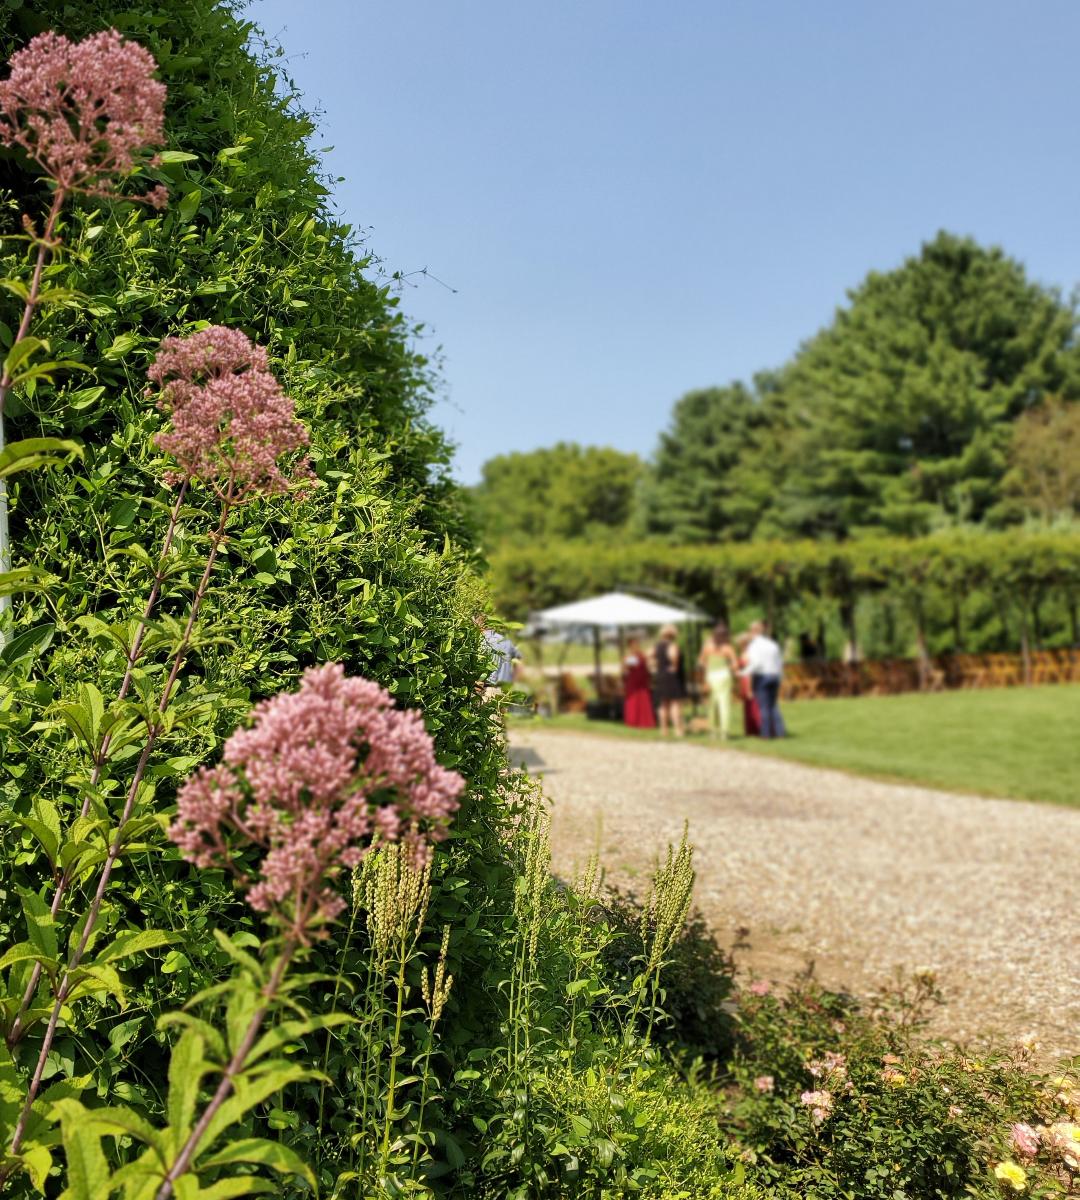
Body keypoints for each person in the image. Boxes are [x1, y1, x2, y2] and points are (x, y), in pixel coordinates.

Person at [740, 619, 785, 738]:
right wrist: (780, 675)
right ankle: (780, 732)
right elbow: (779, 662)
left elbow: (756, 663)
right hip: (775, 675)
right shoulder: (772, 644)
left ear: (753, 631)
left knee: (764, 706)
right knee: (773, 705)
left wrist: (743, 672)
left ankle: (766, 734)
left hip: (762, 677)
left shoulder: (754, 645)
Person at [698, 621, 737, 740]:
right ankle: (724, 732)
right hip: (724, 674)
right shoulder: (728, 648)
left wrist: (708, 669)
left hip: (710, 675)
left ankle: (713, 732)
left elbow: (700, 662)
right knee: (724, 704)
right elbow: (735, 665)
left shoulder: (707, 647)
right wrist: (727, 668)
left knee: (712, 704)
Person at [651, 624, 686, 736]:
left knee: (663, 704)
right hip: (671, 677)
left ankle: (663, 729)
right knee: (675, 703)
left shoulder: (657, 646)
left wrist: (655, 666)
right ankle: (677, 729)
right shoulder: (672, 645)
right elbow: (673, 655)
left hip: (660, 675)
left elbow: (649, 655)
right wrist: (674, 665)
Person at [622, 636, 656, 729]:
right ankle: (633, 721)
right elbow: (625, 668)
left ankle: (644, 721)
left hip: (643, 681)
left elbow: (649, 665)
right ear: (630, 646)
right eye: (633, 644)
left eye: (637, 644)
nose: (636, 646)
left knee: (644, 701)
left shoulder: (642, 655)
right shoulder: (630, 657)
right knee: (633, 700)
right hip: (633, 681)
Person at [735, 631, 761, 737]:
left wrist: (749, 688)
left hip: (748, 680)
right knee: (747, 706)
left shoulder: (749, 653)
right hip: (743, 680)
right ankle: (750, 730)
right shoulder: (743, 653)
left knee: (753, 705)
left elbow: (750, 672)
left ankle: (757, 728)